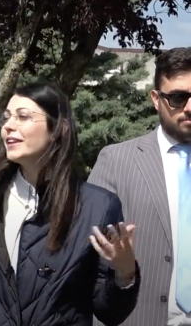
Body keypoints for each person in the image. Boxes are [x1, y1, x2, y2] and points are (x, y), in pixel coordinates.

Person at [0, 83, 140, 326]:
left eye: (23, 116)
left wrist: (124, 273)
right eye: (7, 117)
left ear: (58, 128)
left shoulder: (97, 206)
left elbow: (109, 313)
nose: (8, 126)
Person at [88, 47, 191, 326]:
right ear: (156, 100)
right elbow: (88, 257)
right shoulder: (116, 160)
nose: (189, 107)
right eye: (179, 98)